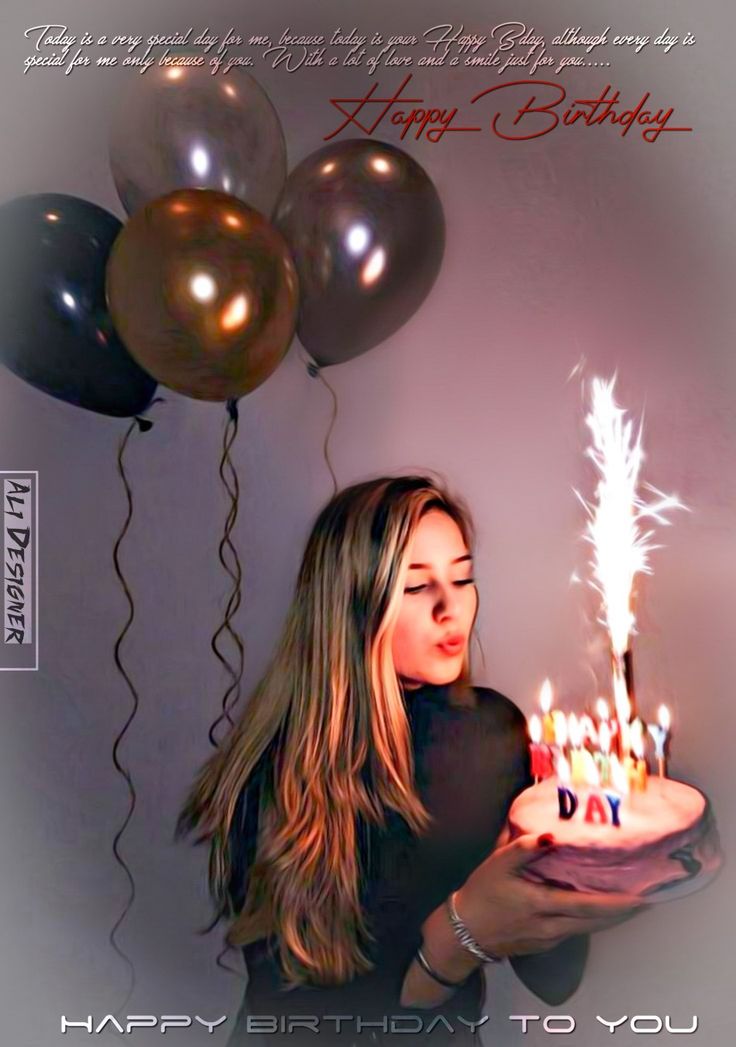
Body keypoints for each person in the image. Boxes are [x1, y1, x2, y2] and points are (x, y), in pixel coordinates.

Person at [176, 474, 647, 1047]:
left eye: (464, 578)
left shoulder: (492, 734)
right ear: (351, 602)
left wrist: (572, 857)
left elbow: (555, 979)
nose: (453, 608)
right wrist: (455, 940)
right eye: (418, 587)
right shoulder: (271, 774)